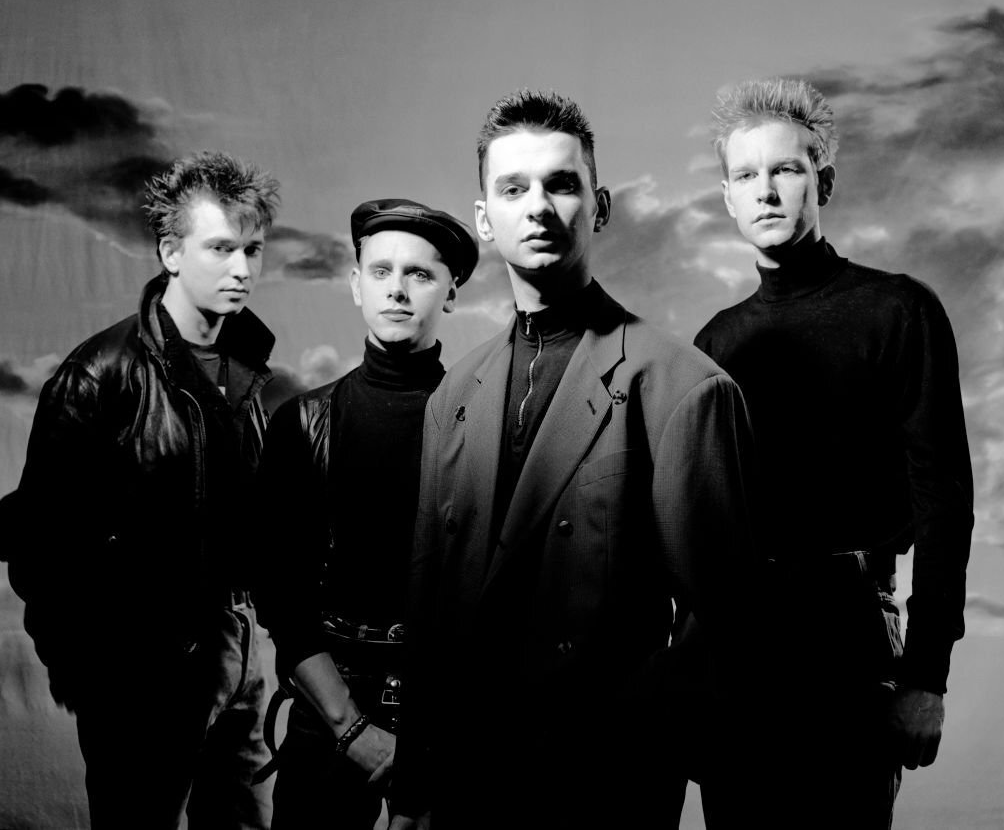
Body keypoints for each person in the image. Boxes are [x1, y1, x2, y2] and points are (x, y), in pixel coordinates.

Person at [388, 90, 759, 830]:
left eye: (561, 184)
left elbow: (724, 617)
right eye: (513, 189)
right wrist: (410, 792)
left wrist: (645, 743)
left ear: (600, 205)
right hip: (466, 777)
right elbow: (429, 611)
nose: (538, 207)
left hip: (601, 783)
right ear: (484, 218)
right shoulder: (453, 395)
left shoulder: (681, 385)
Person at [695, 78, 974, 829]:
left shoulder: (899, 310)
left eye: (785, 169)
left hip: (849, 633)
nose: (765, 190)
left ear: (823, 181)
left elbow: (944, 505)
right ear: (728, 197)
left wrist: (926, 676)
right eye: (746, 174)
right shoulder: (714, 343)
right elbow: (698, 526)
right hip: (739, 650)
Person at [4, 150, 280, 829]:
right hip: (142, 670)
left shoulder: (247, 370)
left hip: (240, 651)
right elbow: (37, 538)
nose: (242, 269)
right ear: (171, 252)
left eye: (252, 250)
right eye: (220, 247)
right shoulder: (102, 372)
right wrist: (89, 674)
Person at [256, 198, 478, 829]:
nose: (397, 290)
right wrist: (351, 728)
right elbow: (280, 595)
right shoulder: (302, 422)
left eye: (420, 274)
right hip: (329, 704)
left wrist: (437, 747)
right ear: (356, 284)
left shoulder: (484, 421)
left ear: (451, 292)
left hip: (450, 712)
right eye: (381, 272)